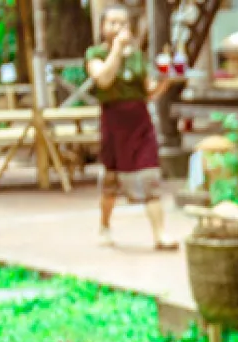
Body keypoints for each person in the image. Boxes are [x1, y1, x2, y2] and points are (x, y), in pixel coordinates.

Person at [85, 5, 176, 250]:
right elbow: (103, 79)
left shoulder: (137, 56)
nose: (118, 28)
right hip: (114, 123)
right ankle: (105, 225)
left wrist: (166, 80)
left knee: (150, 175)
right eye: (112, 23)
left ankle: (160, 234)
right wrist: (117, 49)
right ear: (102, 27)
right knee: (111, 181)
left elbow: (149, 91)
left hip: (140, 122)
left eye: (123, 23)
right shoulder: (95, 54)